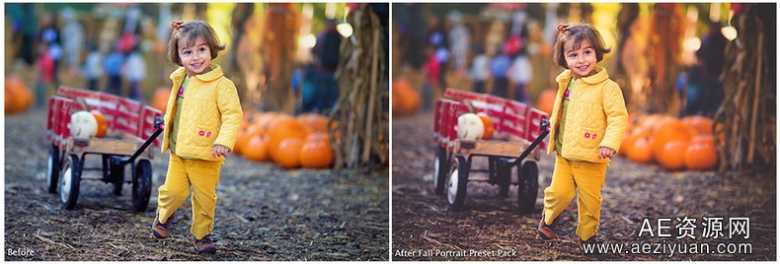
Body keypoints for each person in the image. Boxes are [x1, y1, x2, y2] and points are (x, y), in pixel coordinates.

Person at [151, 20, 242, 255]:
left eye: (201, 49)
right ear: (178, 56)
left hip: (207, 153)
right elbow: (178, 108)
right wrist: (166, 121)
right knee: (173, 192)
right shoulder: (180, 79)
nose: (196, 57)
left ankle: (202, 235)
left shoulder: (222, 85)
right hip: (179, 152)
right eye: (187, 52)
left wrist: (224, 140)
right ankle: (163, 216)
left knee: (204, 199)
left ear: (212, 50)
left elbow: (232, 115)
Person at [537, 24, 628, 243]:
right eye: (573, 54)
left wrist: (610, 143)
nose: (581, 60)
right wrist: (553, 124)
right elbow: (563, 110)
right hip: (565, 154)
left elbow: (618, 117)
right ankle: (548, 220)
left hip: (592, 156)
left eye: (587, 52)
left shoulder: (608, 88)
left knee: (590, 200)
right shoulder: (566, 81)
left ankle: (588, 236)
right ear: (564, 58)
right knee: (559, 193)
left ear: (597, 53)